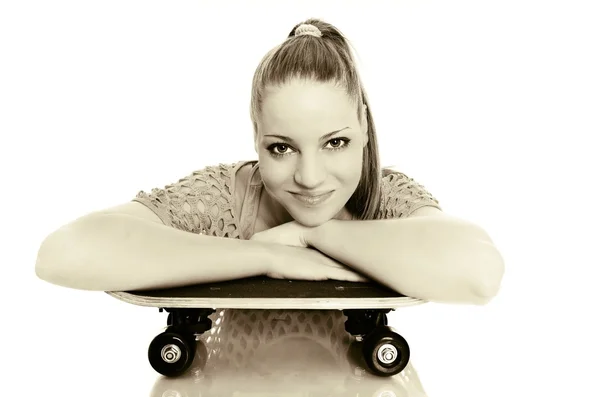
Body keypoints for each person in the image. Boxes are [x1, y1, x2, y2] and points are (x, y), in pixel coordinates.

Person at [35, 18, 504, 305]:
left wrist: (313, 234)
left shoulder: (385, 198)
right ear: (256, 136)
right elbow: (64, 254)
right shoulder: (224, 198)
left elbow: (477, 274)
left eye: (335, 143)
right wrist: (267, 255)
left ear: (362, 125)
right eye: (282, 147)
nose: (310, 177)